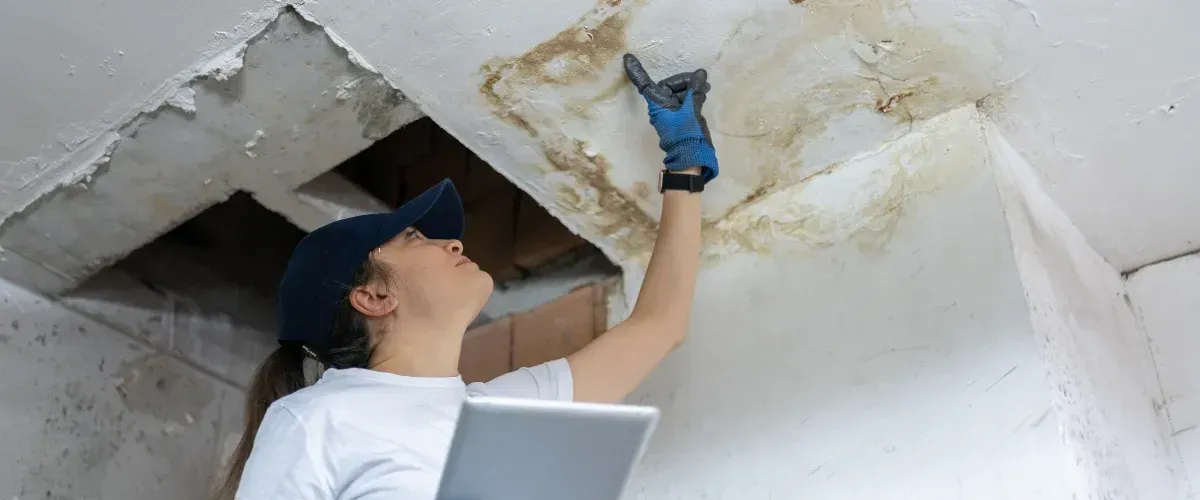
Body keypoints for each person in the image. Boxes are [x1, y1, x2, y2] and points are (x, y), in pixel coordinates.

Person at [214, 53, 720, 500]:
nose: (453, 243)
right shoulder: (316, 418)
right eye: (413, 238)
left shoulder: (496, 418)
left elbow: (659, 326)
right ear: (372, 296)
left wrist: (684, 165)